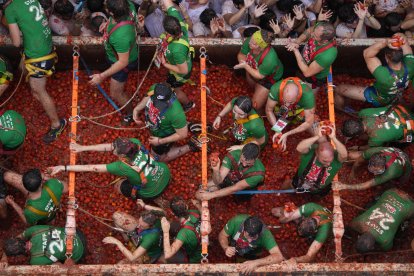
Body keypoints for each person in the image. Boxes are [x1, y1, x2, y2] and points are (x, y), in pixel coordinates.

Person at [5, 0, 66, 143]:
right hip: (45, 45)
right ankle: (34, 86)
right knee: (22, 68)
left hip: (39, 55)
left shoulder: (11, 10)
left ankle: (57, 124)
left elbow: (16, 42)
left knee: (39, 90)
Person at [47, 137, 171, 200]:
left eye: (115, 150)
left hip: (151, 192)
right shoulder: (134, 142)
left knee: (119, 185)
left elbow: (92, 168)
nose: (113, 149)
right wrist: (82, 148)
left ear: (122, 155)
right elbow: (110, 146)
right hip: (165, 173)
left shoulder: (121, 166)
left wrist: (63, 167)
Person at [89, 0, 140, 125]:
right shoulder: (129, 5)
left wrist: (101, 76)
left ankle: (130, 113)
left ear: (110, 12)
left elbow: (123, 62)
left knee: (115, 93)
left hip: (121, 62)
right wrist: (107, 24)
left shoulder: (121, 36)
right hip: (118, 53)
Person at [335, 34, 414, 110]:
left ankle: (340, 110)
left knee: (339, 89)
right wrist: (399, 38)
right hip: (395, 96)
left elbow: (367, 54)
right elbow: (403, 39)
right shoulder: (411, 64)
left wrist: (385, 42)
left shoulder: (383, 75)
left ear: (386, 58)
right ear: (403, 56)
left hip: (378, 97)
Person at [133, 83, 201, 162]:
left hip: (164, 134)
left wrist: (159, 141)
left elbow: (182, 134)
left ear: (169, 98)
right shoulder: (155, 88)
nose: (157, 106)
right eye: (155, 101)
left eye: (161, 104)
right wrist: (136, 109)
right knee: (176, 123)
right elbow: (148, 97)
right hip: (158, 127)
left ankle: (191, 146)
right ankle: (189, 125)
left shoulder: (176, 113)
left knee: (159, 158)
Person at [283, 124, 347, 194]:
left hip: (319, 189)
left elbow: (344, 155)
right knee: (289, 186)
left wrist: (334, 138)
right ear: (317, 153)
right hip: (299, 181)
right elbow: (300, 148)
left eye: (330, 160)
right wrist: (317, 136)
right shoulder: (310, 153)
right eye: (325, 161)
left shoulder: (336, 159)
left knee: (318, 196)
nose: (328, 164)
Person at [157, 0, 194, 111]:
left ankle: (188, 104)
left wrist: (165, 64)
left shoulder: (177, 49)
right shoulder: (177, 22)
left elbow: (183, 70)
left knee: (175, 90)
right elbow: (168, 3)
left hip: (180, 74)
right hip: (179, 63)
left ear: (168, 32)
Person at [349, 188, 414, 252]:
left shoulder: (385, 241)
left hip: (410, 205)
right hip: (392, 193)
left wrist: (376, 249)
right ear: (358, 237)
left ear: (372, 247)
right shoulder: (358, 223)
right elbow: (350, 226)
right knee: (372, 204)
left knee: (401, 232)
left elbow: (387, 249)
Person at [196, 143, 265, 201]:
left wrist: (212, 195)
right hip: (230, 178)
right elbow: (218, 181)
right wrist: (216, 170)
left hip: (244, 187)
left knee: (240, 199)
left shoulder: (258, 173)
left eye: (248, 163)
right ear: (241, 152)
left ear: (256, 159)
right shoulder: (232, 155)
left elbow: (235, 188)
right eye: (242, 160)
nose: (244, 164)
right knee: (202, 190)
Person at [102, 200, 165, 264]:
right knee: (116, 216)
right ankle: (125, 235)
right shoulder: (155, 219)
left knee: (120, 264)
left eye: (142, 226)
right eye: (139, 222)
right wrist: (144, 205)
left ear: (151, 226)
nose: (138, 226)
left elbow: (132, 257)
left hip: (147, 254)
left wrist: (117, 242)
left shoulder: (149, 238)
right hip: (139, 237)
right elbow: (162, 211)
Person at [235, 29, 284, 111]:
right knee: (252, 88)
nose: (250, 42)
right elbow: (242, 54)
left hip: (269, 78)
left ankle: (263, 103)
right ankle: (260, 95)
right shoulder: (250, 41)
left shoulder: (270, 59)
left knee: (255, 107)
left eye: (254, 43)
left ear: (261, 47)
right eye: (251, 39)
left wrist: (246, 66)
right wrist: (242, 62)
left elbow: (259, 75)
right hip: (252, 68)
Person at [285, 13, 337, 90]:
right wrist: (297, 42)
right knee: (298, 76)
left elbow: (307, 73)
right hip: (304, 62)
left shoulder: (327, 55)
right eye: (314, 32)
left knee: (305, 91)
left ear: (325, 41)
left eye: (315, 36)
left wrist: (295, 50)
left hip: (313, 77)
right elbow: (310, 30)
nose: (312, 35)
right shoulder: (320, 28)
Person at [218, 214, 285, 273]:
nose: (249, 240)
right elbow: (222, 235)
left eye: (254, 238)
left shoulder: (266, 234)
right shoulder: (236, 221)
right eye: (247, 236)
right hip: (233, 246)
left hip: (253, 253)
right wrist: (226, 247)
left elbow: (279, 256)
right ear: (244, 228)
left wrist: (256, 262)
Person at [1, 168, 67, 225]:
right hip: (54, 209)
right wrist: (48, 178)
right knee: (51, 217)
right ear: (41, 182)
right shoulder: (53, 184)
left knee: (6, 175)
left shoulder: (29, 212)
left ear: (23, 186)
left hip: (44, 219)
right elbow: (66, 187)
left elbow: (27, 222)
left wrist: (13, 203)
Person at [265, 77, 315, 151]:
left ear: (298, 96)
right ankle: (283, 123)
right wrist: (277, 130)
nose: (287, 105)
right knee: (281, 114)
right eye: (285, 101)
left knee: (312, 125)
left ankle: (291, 123)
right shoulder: (276, 89)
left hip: (300, 110)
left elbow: (308, 122)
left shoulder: (308, 96)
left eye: (291, 102)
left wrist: (287, 134)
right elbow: (268, 110)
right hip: (280, 108)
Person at [333, 147, 411, 191]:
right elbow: (358, 162)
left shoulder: (391, 172)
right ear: (370, 160)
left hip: (404, 167)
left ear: (384, 167)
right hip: (396, 151)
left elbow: (367, 185)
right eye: (372, 170)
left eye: (378, 171)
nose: (374, 174)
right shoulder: (370, 152)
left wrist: (345, 186)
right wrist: (352, 173)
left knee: (391, 187)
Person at [3, 225, 86, 265]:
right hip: (77, 233)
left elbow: (59, 266)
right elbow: (21, 235)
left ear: (18, 255)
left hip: (79, 252)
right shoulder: (34, 230)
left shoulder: (35, 260)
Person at [341, 104, 414, 148]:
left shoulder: (376, 138)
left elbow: (369, 148)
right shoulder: (364, 112)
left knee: (398, 145)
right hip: (405, 113)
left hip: (411, 130)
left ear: (358, 135)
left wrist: (358, 148)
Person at [161, 197, 202, 263]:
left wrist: (165, 231)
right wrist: (197, 204)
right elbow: (203, 210)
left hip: (195, 257)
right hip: (200, 242)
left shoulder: (183, 233)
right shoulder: (195, 212)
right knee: (173, 225)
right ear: (186, 206)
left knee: (162, 258)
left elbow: (167, 255)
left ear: (174, 215)